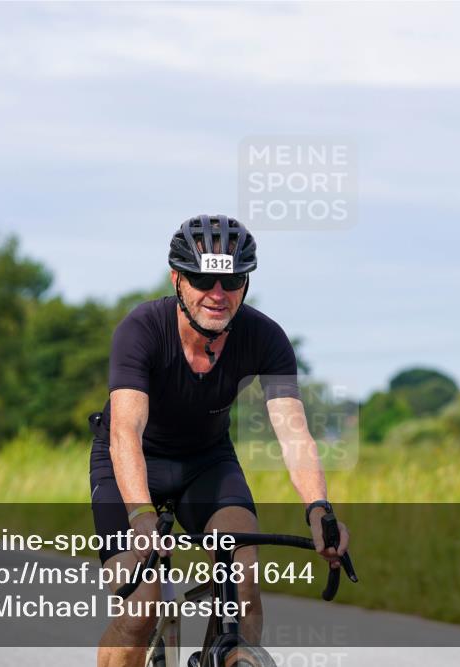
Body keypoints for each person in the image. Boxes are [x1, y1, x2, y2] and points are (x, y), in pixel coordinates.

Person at [90, 214, 350, 667]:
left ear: (245, 283)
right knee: (140, 605)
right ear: (177, 278)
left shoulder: (265, 337)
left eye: (230, 279)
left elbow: (292, 433)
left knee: (243, 581)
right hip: (132, 466)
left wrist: (319, 510)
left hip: (206, 464)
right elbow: (125, 433)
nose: (217, 292)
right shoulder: (143, 328)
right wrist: (141, 515)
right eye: (201, 278)